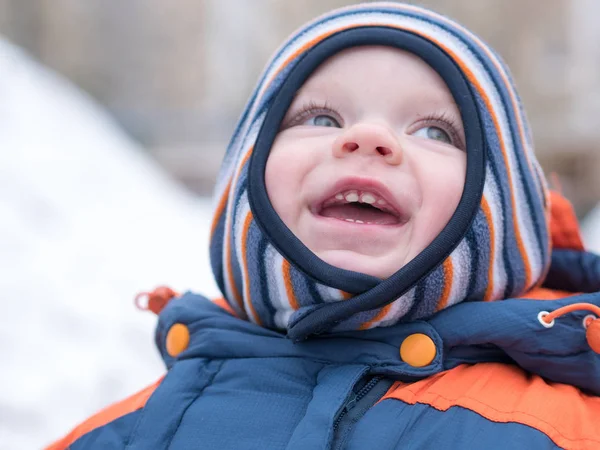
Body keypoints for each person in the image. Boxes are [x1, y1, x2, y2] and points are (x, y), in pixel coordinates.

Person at [47, 2, 600, 449]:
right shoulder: (116, 434)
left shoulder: (565, 431)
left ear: (503, 218)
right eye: (320, 118)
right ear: (245, 182)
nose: (366, 138)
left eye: (434, 132)